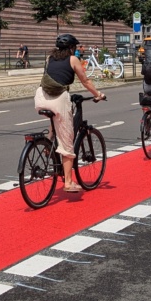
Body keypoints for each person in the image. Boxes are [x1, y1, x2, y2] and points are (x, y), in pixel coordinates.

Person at [34, 33, 106, 193]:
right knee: (67, 141)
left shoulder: (50, 58)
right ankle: (68, 182)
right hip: (58, 99)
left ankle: (48, 142)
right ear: (72, 48)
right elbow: (85, 81)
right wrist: (98, 94)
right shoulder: (73, 59)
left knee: (54, 118)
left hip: (40, 97)